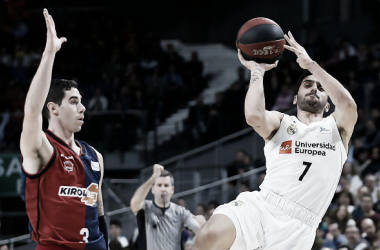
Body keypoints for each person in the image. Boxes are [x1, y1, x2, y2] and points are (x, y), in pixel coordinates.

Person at [193, 31, 357, 250]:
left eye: (320, 88)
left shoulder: (337, 129)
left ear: (328, 105)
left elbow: (348, 105)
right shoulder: (282, 122)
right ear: (295, 98)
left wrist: (311, 66)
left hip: (300, 229)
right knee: (208, 236)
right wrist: (257, 72)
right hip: (263, 207)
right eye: (307, 85)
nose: (314, 89)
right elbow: (254, 116)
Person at [19, 9, 107, 250]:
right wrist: (49, 54)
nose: (83, 108)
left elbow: (98, 210)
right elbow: (31, 111)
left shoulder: (95, 156)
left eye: (81, 101)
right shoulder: (40, 148)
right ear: (54, 108)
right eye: (74, 101)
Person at [130, 164, 205, 250]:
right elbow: (134, 203)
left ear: (172, 190)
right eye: (159, 185)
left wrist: (204, 224)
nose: (163, 189)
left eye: (166, 185)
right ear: (153, 189)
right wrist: (153, 178)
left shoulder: (180, 212)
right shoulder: (145, 208)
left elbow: (201, 230)